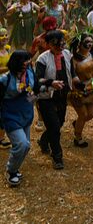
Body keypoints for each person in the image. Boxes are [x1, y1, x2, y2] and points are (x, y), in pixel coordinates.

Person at [34, 30, 73, 170]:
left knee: (59, 122)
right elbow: (37, 80)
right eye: (56, 45)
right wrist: (51, 83)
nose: (60, 47)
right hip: (46, 97)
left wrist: (80, 85)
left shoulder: (67, 54)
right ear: (49, 44)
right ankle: (57, 156)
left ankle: (44, 141)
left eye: (62, 44)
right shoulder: (42, 59)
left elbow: (71, 73)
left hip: (62, 96)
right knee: (55, 128)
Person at [1, 50, 35, 187]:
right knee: (22, 144)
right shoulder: (5, 79)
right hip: (10, 116)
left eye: (28, 60)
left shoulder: (30, 74)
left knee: (26, 147)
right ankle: (11, 171)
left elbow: (35, 89)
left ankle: (15, 168)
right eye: (25, 60)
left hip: (26, 114)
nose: (28, 62)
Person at [68, 33, 93, 148]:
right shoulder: (73, 59)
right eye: (86, 42)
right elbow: (73, 77)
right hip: (78, 91)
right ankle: (78, 137)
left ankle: (78, 123)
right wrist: (80, 88)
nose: (89, 44)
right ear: (79, 44)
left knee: (92, 114)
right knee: (83, 114)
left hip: (91, 88)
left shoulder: (91, 55)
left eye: (91, 42)